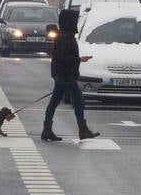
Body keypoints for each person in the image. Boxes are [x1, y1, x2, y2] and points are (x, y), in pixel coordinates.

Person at [42, 8, 99, 142]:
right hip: (64, 75)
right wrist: (79, 59)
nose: (77, 22)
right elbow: (62, 58)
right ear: (69, 21)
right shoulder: (64, 37)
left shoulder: (65, 35)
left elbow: (63, 57)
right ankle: (82, 130)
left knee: (54, 101)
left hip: (62, 74)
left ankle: (47, 130)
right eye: (75, 20)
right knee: (78, 100)